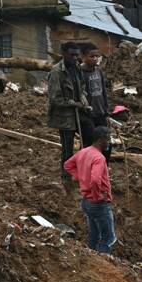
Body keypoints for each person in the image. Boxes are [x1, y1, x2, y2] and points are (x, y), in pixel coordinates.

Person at [63, 125, 116, 253]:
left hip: (86, 201)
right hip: (98, 203)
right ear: (100, 140)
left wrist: (80, 177)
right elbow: (96, 180)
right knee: (108, 238)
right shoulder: (99, 158)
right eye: (108, 139)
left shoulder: (84, 151)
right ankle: (103, 261)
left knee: (94, 234)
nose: (109, 142)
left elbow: (67, 165)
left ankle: (90, 257)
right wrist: (97, 196)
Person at [48, 42, 88, 179]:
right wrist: (73, 104)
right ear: (64, 54)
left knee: (88, 141)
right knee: (67, 149)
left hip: (80, 113)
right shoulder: (56, 72)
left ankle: (83, 170)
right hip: (65, 117)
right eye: (72, 55)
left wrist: (83, 98)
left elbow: (82, 87)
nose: (75, 58)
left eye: (77, 55)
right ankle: (66, 176)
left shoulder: (77, 67)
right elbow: (55, 98)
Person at [78, 43, 111, 161]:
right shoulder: (79, 72)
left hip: (100, 112)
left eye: (97, 56)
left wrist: (106, 111)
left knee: (105, 141)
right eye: (91, 56)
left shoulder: (98, 70)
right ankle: (85, 164)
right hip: (87, 114)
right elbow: (79, 94)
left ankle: (103, 165)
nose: (95, 59)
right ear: (83, 56)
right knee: (89, 142)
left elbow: (103, 92)